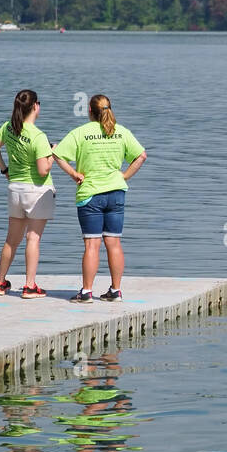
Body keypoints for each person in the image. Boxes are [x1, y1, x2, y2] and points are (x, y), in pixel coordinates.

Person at [53, 94, 146, 302]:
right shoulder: (121, 132)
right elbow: (141, 156)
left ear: (89, 112)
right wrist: (124, 176)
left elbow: (57, 154)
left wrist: (73, 173)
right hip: (116, 193)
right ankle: (116, 290)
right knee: (114, 243)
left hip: (91, 195)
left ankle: (86, 291)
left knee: (91, 245)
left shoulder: (81, 133)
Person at [0, 89, 55, 298]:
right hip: (37, 190)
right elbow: (43, 169)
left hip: (15, 189)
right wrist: (53, 153)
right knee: (32, 239)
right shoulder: (38, 136)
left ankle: (0, 283)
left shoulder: (8, 127)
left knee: (11, 240)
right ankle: (29, 286)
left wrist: (5, 170)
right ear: (35, 106)